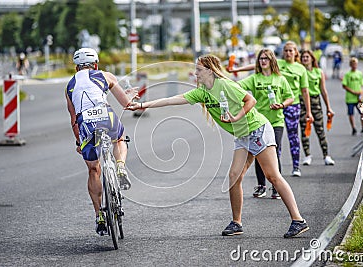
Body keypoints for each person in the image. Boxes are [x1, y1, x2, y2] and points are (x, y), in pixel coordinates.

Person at [126, 54, 309, 238]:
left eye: (198, 70)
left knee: (272, 176)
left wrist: (236, 117)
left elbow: (250, 101)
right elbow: (172, 100)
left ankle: (298, 220)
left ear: (209, 70)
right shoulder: (202, 93)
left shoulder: (225, 85)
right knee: (233, 176)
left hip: (257, 130)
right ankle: (236, 223)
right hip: (242, 135)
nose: (195, 73)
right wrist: (142, 105)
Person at [65, 48, 136, 235]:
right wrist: (130, 95)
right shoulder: (105, 75)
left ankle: (100, 215)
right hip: (106, 116)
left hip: (85, 123)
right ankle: (120, 166)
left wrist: (78, 141)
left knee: (93, 168)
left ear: (76, 68)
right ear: (95, 64)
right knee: (119, 138)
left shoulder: (69, 86)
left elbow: (73, 119)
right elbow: (127, 104)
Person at [229, 41, 313, 177]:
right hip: (268, 110)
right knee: (267, 148)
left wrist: (308, 111)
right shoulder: (276, 63)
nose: (288, 53)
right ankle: (266, 180)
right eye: (286, 50)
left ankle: (295, 166)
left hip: (292, 105)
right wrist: (236, 70)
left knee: (292, 137)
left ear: (296, 52)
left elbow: (305, 91)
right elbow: (255, 65)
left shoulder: (300, 69)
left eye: (291, 50)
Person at [237, 49, 294, 199]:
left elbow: (290, 97)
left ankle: (276, 187)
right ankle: (261, 185)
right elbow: (237, 86)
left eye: (266, 59)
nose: (263, 61)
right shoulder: (255, 78)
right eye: (261, 59)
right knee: (258, 152)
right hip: (259, 123)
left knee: (275, 153)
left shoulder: (280, 79)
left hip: (276, 121)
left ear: (272, 61)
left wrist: (281, 105)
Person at [300, 50, 335, 166]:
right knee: (305, 129)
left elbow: (323, 91)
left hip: (316, 102)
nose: (305, 59)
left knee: (320, 130)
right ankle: (307, 155)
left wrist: (328, 107)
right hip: (303, 102)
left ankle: (326, 155)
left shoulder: (318, 72)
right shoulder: (300, 71)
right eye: (303, 57)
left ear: (312, 59)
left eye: (307, 57)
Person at [342, 57, 363, 135]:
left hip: (358, 98)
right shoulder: (348, 74)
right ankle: (353, 128)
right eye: (353, 64)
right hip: (350, 98)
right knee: (351, 113)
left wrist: (361, 95)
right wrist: (353, 92)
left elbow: (362, 85)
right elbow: (344, 85)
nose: (354, 65)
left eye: (355, 64)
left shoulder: (360, 73)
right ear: (350, 65)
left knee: (362, 112)